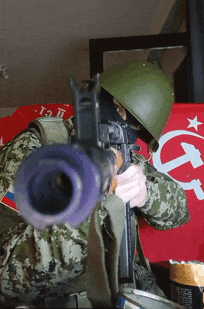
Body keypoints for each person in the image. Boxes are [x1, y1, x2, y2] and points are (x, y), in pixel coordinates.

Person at [0, 60, 190, 308]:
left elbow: (180, 210)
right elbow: (8, 275)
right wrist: (91, 209)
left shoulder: (128, 157)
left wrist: (146, 193)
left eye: (138, 130)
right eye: (124, 115)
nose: (129, 132)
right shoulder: (36, 151)